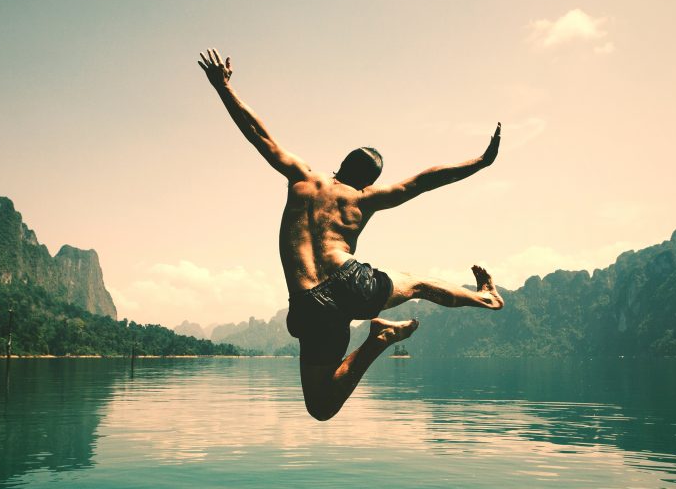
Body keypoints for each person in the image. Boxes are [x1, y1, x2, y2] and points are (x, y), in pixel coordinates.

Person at [198, 48, 503, 421]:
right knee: (421, 285)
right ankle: (484, 299)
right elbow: (424, 181)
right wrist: (481, 162)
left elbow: (259, 135)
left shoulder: (303, 178)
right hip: (351, 282)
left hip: (308, 303)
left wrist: (223, 87)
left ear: (340, 163)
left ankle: (377, 341)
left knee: (321, 407)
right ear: (370, 181)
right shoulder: (365, 199)